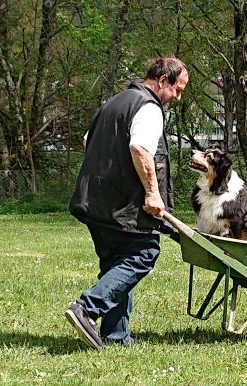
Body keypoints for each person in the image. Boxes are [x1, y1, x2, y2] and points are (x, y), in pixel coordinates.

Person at [66, 58, 189, 349]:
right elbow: (140, 149)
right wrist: (152, 193)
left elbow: (88, 142)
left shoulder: (114, 103)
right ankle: (87, 308)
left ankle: (117, 336)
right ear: (162, 81)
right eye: (177, 89)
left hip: (94, 200)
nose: (177, 97)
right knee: (143, 253)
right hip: (122, 204)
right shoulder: (147, 106)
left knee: (115, 263)